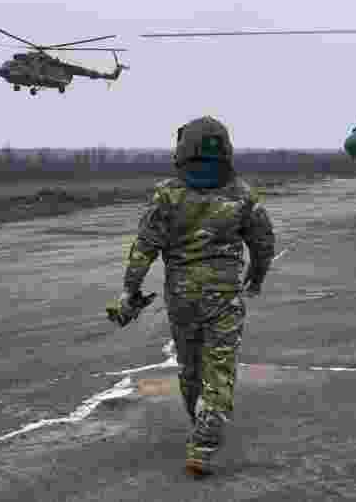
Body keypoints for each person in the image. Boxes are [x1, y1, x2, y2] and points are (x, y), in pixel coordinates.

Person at [106, 116, 275, 478]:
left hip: (182, 297)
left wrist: (129, 290)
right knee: (220, 365)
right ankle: (207, 430)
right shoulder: (242, 193)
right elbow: (263, 242)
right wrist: (256, 278)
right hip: (225, 297)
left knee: (190, 365)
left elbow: (144, 247)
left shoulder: (167, 194)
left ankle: (199, 418)